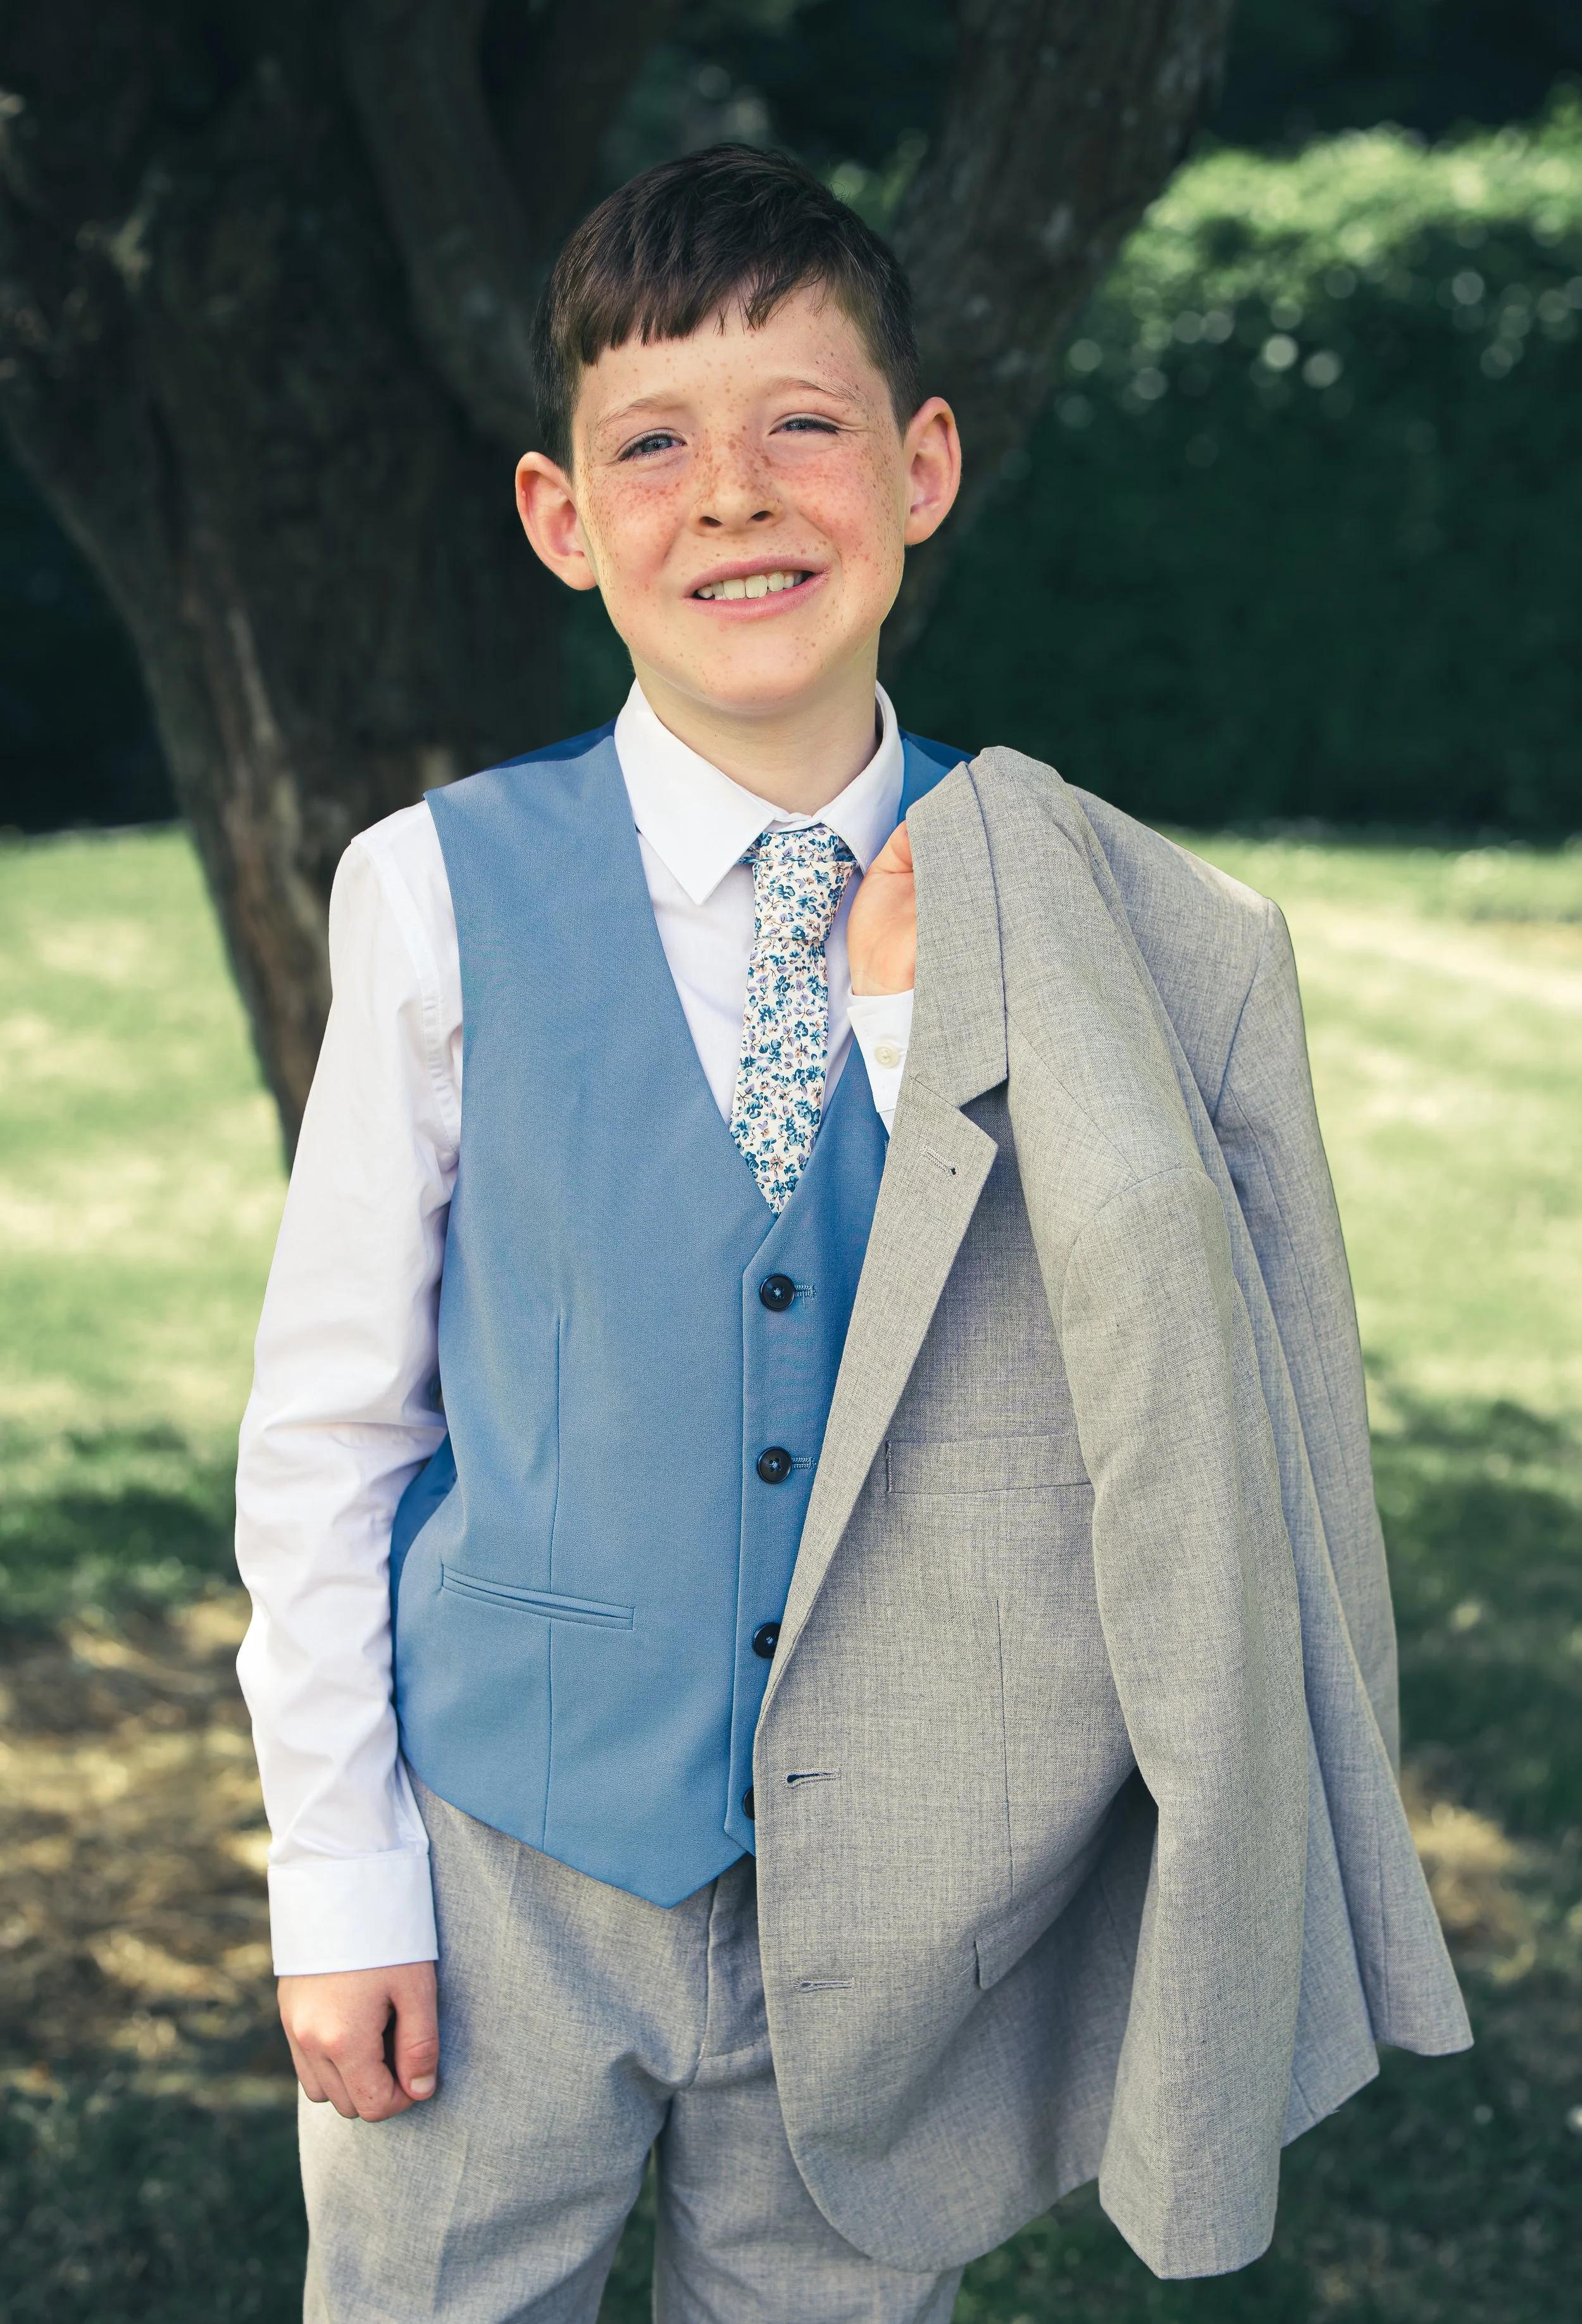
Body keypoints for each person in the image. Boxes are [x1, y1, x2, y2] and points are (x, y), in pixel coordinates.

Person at [235, 144, 1470, 2323]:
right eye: (651, 446)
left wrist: (918, 1039)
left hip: (906, 1902)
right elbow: (335, 1428)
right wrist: (341, 1882)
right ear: (558, 517)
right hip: (511, 1857)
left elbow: (1152, 1379)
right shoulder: (434, 891)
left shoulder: (1080, 913)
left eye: (802, 423)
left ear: (920, 471)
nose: (732, 496)